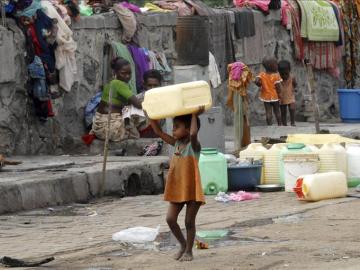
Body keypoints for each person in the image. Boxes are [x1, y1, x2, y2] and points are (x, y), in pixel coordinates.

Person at [149, 108, 205, 262]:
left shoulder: (194, 146)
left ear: (187, 129)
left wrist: (194, 114)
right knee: (170, 219)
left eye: (177, 126)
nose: (173, 129)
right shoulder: (176, 144)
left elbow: (194, 134)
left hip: (192, 189)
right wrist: (150, 114)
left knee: (189, 222)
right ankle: (183, 244)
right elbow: (159, 132)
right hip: (177, 188)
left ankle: (189, 251)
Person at [90, 57, 142, 142]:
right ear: (115, 72)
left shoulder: (110, 83)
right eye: (123, 73)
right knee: (143, 110)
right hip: (110, 129)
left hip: (99, 127)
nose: (127, 76)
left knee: (130, 109)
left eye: (129, 74)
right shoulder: (118, 84)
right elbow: (139, 105)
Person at [123, 69, 162, 138]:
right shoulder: (136, 100)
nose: (152, 89)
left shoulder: (165, 99)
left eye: (155, 85)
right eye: (149, 85)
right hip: (140, 137)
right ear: (144, 85)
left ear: (160, 85)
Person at [255, 57, 282, 126]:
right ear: (271, 66)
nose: (277, 66)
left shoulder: (262, 74)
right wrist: (280, 95)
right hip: (274, 96)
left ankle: (269, 125)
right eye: (276, 64)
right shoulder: (276, 76)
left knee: (268, 111)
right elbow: (278, 87)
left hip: (266, 97)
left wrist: (258, 83)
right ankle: (280, 124)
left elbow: (256, 80)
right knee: (277, 111)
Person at [276, 60, 297, 126]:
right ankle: (284, 124)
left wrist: (294, 84)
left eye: (286, 74)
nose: (284, 76)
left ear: (289, 71)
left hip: (290, 95)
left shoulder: (292, 77)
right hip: (282, 97)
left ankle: (292, 122)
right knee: (283, 111)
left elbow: (295, 85)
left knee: (292, 108)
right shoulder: (277, 78)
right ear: (279, 72)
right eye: (282, 74)